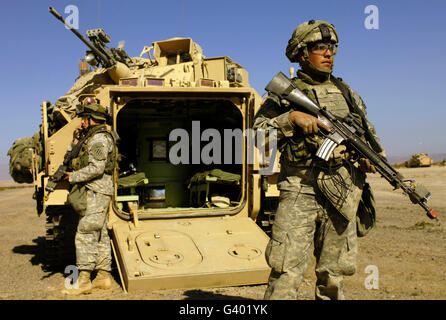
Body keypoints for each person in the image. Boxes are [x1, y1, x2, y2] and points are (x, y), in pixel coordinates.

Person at [253, 20, 384, 300]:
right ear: (302, 53)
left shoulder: (348, 95)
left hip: (341, 191)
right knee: (286, 271)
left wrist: (369, 159)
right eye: (320, 47)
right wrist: (291, 118)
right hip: (301, 190)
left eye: (332, 47)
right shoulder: (285, 94)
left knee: (334, 276)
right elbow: (255, 135)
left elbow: (368, 138)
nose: (328, 53)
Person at [61, 102, 117, 295]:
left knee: (85, 233)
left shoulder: (99, 140)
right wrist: (76, 139)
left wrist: (73, 177)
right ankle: (103, 276)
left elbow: (97, 168)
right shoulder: (91, 138)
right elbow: (74, 155)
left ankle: (84, 281)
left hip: (95, 191)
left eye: (85, 118)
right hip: (98, 191)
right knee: (99, 233)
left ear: (92, 119)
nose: (82, 122)